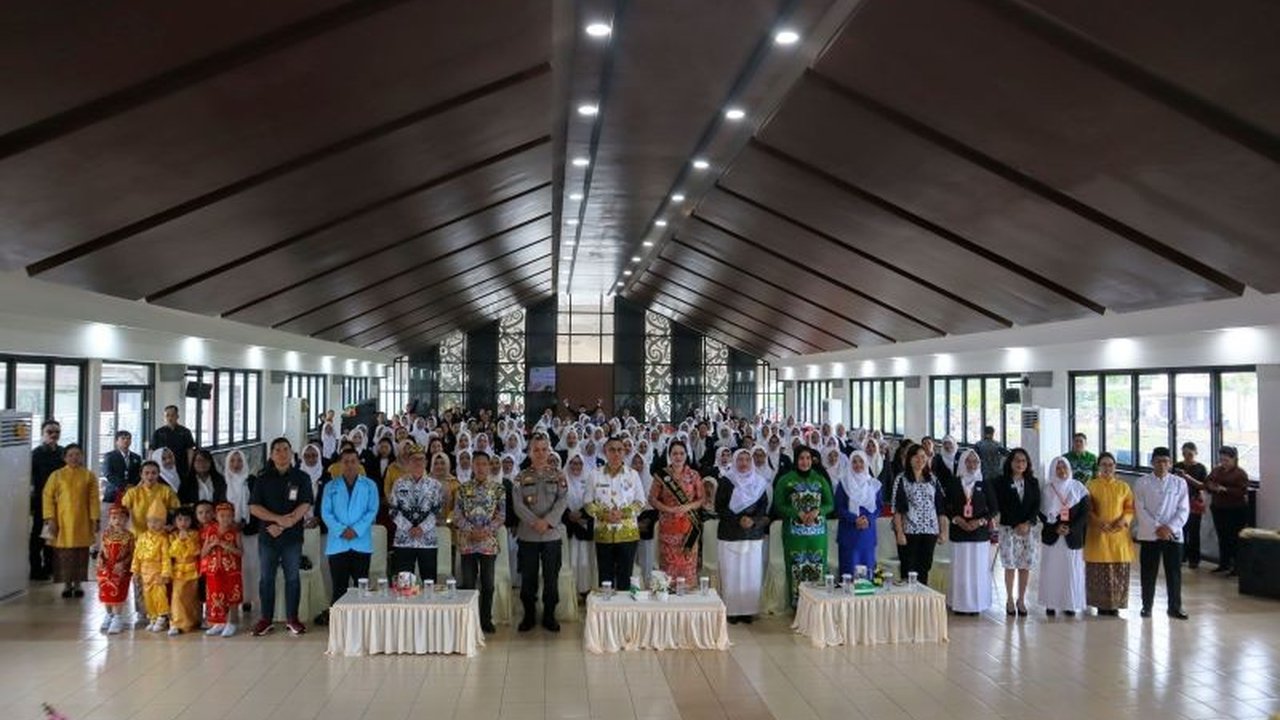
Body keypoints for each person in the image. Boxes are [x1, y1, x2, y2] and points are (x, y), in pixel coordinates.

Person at [248, 437, 314, 637]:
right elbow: (254, 507)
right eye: (277, 450)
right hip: (268, 536)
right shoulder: (262, 478)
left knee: (292, 578)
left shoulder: (301, 477)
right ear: (271, 454)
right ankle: (265, 619)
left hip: (292, 537)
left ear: (291, 452)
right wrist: (277, 520)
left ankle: (292, 619)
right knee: (266, 578)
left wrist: (287, 523)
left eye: (285, 449)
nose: (282, 453)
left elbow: (305, 504)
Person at [512, 435, 567, 632]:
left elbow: (562, 501)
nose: (540, 453)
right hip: (529, 535)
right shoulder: (520, 477)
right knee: (528, 578)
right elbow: (518, 505)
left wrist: (548, 521)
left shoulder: (558, 475)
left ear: (549, 451)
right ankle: (529, 615)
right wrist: (535, 522)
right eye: (536, 450)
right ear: (529, 452)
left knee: (551, 578)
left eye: (544, 449)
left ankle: (549, 616)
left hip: (551, 536)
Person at [714, 448, 770, 623]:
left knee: (750, 573)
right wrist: (739, 519)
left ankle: (748, 611)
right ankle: (732, 611)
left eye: (747, 459)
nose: (744, 463)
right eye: (740, 459)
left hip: (752, 534)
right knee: (731, 573)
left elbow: (763, 507)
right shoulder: (726, 481)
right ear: (735, 461)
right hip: (730, 533)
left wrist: (752, 520)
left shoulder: (759, 482)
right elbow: (719, 507)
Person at [584, 437, 646, 594]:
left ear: (624, 452)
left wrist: (623, 514)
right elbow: (587, 503)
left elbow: (640, 502)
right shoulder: (595, 474)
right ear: (605, 452)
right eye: (612, 449)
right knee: (605, 578)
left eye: (620, 450)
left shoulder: (632, 475)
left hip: (627, 534)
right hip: (603, 533)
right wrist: (603, 515)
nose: (616, 453)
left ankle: (623, 608)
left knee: (625, 577)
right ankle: (606, 608)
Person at [320, 448, 380, 609]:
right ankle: (339, 623)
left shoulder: (370, 485)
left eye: (353, 461)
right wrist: (341, 530)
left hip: (361, 543)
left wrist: (356, 530)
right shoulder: (330, 486)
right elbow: (326, 513)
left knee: (361, 589)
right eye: (346, 462)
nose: (349, 465)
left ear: (359, 463)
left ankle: (361, 621)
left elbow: (372, 510)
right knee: (339, 589)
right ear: (340, 464)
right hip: (338, 544)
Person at [775, 446, 835, 607]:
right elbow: (778, 505)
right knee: (796, 567)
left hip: (817, 535)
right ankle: (797, 607)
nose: (805, 462)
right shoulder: (785, 480)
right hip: (794, 535)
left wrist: (818, 511)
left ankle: (817, 606)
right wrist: (796, 513)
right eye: (801, 458)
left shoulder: (820, 479)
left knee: (818, 566)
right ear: (796, 460)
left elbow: (830, 504)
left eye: (808, 458)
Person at [1135, 447, 1190, 620]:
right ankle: (1147, 606)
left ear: (1171, 463)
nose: (1162, 465)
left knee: (1174, 573)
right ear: (1152, 463)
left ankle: (1175, 607)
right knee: (1148, 572)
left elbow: (1183, 510)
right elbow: (1140, 509)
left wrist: (1169, 528)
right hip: (1150, 534)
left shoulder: (1179, 483)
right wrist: (1157, 527)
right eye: (1158, 461)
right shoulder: (1142, 482)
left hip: (1172, 534)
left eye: (1166, 461)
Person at [454, 451, 506, 634]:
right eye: (477, 464)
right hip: (468, 543)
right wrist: (471, 530)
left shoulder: (498, 489)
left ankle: (485, 620)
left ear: (489, 466)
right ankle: (470, 620)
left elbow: (501, 515)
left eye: (484, 464)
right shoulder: (462, 488)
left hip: (488, 543)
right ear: (472, 466)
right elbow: (457, 514)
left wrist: (486, 531)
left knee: (488, 585)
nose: (481, 467)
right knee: (468, 584)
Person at [41, 443, 100, 598]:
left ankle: (78, 584)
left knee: (81, 554)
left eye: (77, 454)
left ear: (82, 457)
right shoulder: (56, 475)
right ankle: (67, 585)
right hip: (62, 520)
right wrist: (50, 518)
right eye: (71, 455)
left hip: (83, 520)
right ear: (65, 458)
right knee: (64, 554)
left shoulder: (88, 476)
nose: (74, 458)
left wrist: (95, 518)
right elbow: (47, 497)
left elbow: (94, 499)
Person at [944, 449, 998, 615]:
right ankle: (959, 604)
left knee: (977, 570)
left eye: (975, 462)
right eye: (968, 461)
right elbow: (946, 506)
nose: (972, 465)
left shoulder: (984, 483)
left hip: (979, 534)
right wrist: (956, 519)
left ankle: (976, 604)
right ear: (962, 462)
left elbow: (994, 508)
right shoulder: (954, 483)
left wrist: (980, 521)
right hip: (958, 532)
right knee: (960, 570)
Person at [1084, 452, 1134, 616]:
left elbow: (1129, 508)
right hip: (1098, 535)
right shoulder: (1090, 485)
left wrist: (1123, 521)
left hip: (1119, 536)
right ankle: (1101, 605)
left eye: (1110, 465)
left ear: (1115, 467)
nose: (1107, 468)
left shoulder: (1123, 487)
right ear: (1098, 467)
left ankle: (1116, 604)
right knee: (1098, 571)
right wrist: (1099, 523)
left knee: (1118, 571)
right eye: (1104, 465)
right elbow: (1087, 509)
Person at [648, 440, 705, 584]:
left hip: (689, 527)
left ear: (686, 455)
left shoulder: (694, 475)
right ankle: (667, 593)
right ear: (670, 455)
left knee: (688, 564)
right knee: (669, 568)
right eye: (675, 454)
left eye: (681, 453)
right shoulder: (661, 475)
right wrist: (669, 509)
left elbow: (702, 499)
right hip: (668, 527)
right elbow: (652, 499)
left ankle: (688, 595)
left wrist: (688, 507)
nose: (678, 457)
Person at [1039, 456, 1089, 617]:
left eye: (1064, 467)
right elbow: (1042, 514)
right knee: (1051, 570)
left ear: (1069, 469)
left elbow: (1085, 513)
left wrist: (1071, 528)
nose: (1062, 471)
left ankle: (1070, 604)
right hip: (1052, 537)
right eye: (1058, 468)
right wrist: (1055, 527)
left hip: (1072, 537)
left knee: (1071, 571)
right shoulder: (1047, 490)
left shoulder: (1078, 487)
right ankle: (1051, 604)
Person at [892, 443, 947, 588]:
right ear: (909, 459)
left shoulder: (933, 479)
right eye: (916, 457)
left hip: (930, 531)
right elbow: (897, 509)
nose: (920, 460)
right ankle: (908, 599)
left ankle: (922, 598)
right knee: (908, 569)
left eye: (923, 457)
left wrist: (943, 531)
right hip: (909, 531)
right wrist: (899, 532)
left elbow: (940, 508)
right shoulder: (901, 479)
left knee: (924, 568)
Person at [388, 446, 445, 581]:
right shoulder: (399, 484)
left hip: (427, 540)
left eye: (421, 459)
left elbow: (437, 511)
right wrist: (409, 527)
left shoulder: (435, 485)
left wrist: (422, 528)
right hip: (404, 540)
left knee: (429, 581)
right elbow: (393, 510)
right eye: (414, 459)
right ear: (408, 462)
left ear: (426, 462)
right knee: (404, 582)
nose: (418, 462)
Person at [222, 449, 259, 616]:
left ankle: (248, 598)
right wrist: (230, 524)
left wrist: (244, 523)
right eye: (232, 461)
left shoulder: (251, 481)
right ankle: (232, 599)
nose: (236, 464)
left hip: (249, 530)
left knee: (250, 565)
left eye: (239, 461)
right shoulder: (224, 482)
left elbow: (257, 503)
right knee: (231, 567)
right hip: (228, 531)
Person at [1205, 446, 1249, 576]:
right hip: (1219, 508)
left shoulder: (1240, 473)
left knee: (1234, 538)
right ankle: (1224, 564)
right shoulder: (1217, 470)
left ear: (1234, 459)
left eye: (1226, 460)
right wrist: (1211, 486)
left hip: (1235, 510)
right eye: (1221, 460)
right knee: (1222, 536)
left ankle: (1237, 566)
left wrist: (1225, 489)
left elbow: (1242, 491)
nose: (1223, 463)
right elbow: (1207, 481)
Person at [201, 502, 244, 637]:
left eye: (229, 516)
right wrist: (212, 545)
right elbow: (203, 553)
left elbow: (240, 552)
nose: (225, 519)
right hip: (213, 570)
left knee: (232, 596)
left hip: (231, 571)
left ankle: (232, 622)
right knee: (215, 595)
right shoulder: (210, 531)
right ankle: (219, 622)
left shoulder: (235, 532)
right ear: (216, 516)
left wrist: (227, 546)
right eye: (222, 516)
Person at [834, 450, 880, 576]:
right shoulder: (843, 484)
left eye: (861, 461)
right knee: (849, 570)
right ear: (850, 464)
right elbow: (839, 508)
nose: (858, 465)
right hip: (849, 532)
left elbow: (878, 507)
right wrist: (855, 519)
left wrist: (868, 519)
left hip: (867, 532)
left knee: (867, 570)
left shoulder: (873, 484)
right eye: (854, 462)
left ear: (866, 463)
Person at [30, 420, 64, 581]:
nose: (53, 435)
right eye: (50, 432)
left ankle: (50, 566)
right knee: (38, 536)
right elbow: (30, 479)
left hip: (60, 501)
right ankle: (36, 569)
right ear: (42, 434)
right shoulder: (36, 454)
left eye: (57, 432)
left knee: (54, 534)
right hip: (41, 501)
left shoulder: (63, 453)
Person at [132, 498, 173, 633]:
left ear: (163, 523)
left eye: (157, 521)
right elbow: (137, 555)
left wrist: (166, 573)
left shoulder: (163, 539)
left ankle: (162, 616)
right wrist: (135, 570)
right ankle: (153, 616)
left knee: (159, 595)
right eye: (150, 521)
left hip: (157, 571)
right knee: (147, 595)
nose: (153, 524)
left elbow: (166, 557)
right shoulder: (142, 537)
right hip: (144, 571)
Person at [562, 453, 596, 597]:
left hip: (584, 526)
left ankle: (585, 590)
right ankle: (570, 592)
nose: (576, 466)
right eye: (573, 463)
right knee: (571, 561)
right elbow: (558, 501)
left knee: (584, 561)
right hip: (568, 527)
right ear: (569, 464)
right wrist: (569, 515)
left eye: (579, 463)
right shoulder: (563, 480)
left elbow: (594, 500)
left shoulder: (589, 480)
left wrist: (582, 514)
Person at [96, 505, 134, 635]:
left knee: (118, 594)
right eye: (114, 518)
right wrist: (100, 559)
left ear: (126, 520)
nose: (117, 521)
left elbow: (131, 553)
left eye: (121, 518)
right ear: (110, 520)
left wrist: (123, 563)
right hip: (106, 569)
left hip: (121, 570)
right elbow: (102, 550)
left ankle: (118, 617)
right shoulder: (106, 534)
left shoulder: (129, 536)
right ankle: (109, 615)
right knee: (106, 593)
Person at [1172, 442, 1207, 569]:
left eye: (1190, 454)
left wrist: (1187, 477)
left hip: (1193, 501)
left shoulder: (1200, 468)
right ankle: (1181, 555)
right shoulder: (1177, 466)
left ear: (1195, 453)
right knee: (1180, 529)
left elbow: (1202, 486)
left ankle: (1194, 559)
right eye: (1184, 454)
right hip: (1178, 501)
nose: (1187, 457)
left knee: (1194, 531)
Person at [167, 507, 201, 635]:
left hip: (192, 568)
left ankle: (192, 621)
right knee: (177, 596)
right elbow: (171, 552)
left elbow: (196, 551)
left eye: (186, 519)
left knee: (191, 596)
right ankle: (176, 623)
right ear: (175, 521)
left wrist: (188, 539)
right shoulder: (172, 536)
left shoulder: (195, 534)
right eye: (180, 519)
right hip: (178, 569)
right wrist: (180, 540)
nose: (183, 523)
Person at [152, 405, 196, 479]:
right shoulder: (158, 432)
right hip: (163, 469)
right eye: (167, 415)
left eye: (172, 415)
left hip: (181, 466)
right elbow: (152, 451)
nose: (170, 418)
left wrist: (189, 467)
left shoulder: (185, 432)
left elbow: (190, 451)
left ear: (177, 416)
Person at [101, 430, 142, 509]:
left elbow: (140, 474)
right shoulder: (109, 456)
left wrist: (132, 485)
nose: (126, 440)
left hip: (132, 492)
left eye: (128, 438)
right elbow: (108, 474)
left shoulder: (136, 457)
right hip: (114, 492)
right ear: (116, 441)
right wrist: (124, 485)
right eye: (123, 438)